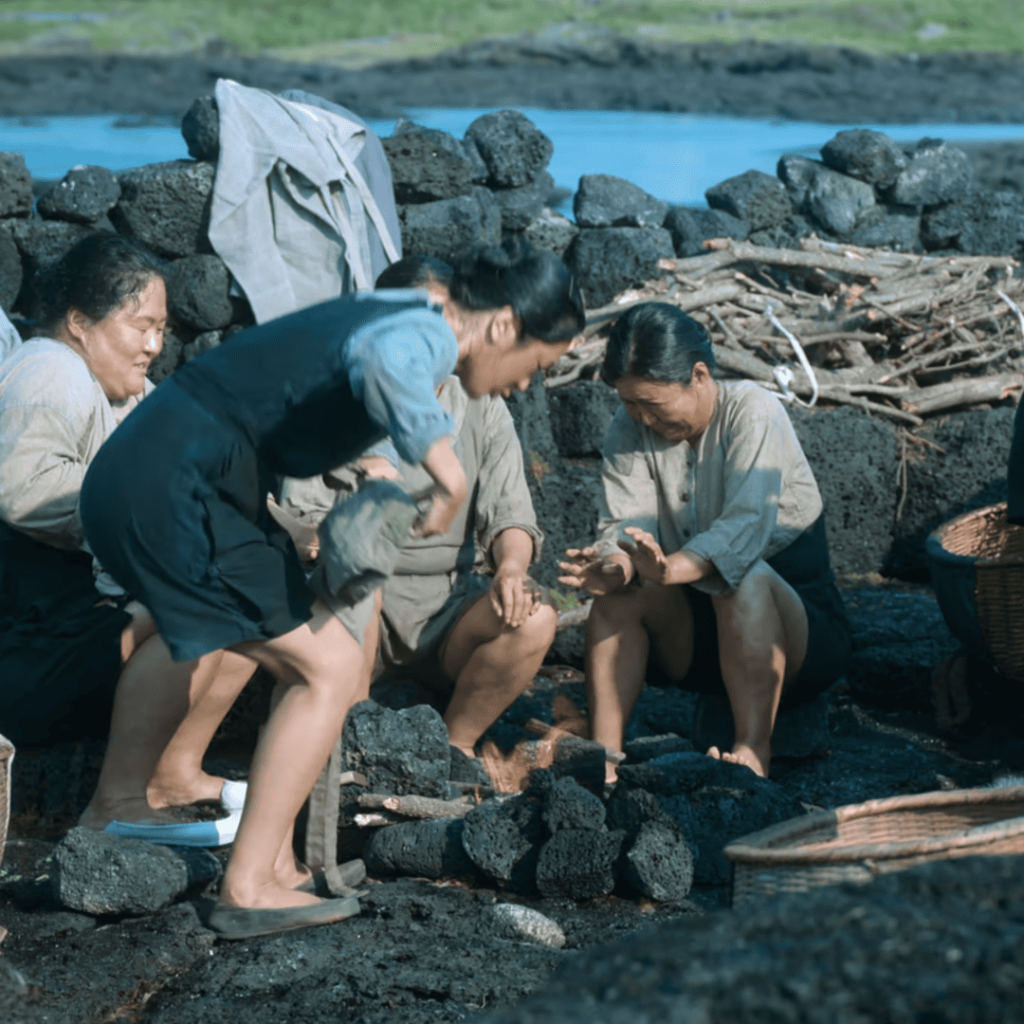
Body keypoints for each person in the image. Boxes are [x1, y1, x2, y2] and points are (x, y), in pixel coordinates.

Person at [78, 238, 585, 938]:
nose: (527, 384)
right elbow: (385, 362)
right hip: (182, 482)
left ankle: (205, 839)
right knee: (326, 668)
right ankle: (249, 884)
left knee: (284, 649)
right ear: (503, 326)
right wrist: (448, 472)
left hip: (172, 473)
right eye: (539, 364)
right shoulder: (430, 326)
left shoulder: (406, 307)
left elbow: (336, 374)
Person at [0, 235, 253, 836]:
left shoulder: (116, 388)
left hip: (63, 632)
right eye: (140, 326)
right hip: (27, 653)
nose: (154, 345)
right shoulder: (51, 371)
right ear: (81, 322)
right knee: (200, 608)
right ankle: (114, 804)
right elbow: (21, 490)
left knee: (251, 592)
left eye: (162, 329)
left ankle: (174, 774)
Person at [280, 256, 558, 762]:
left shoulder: (481, 404)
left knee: (534, 621)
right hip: (354, 605)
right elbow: (302, 522)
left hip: (447, 608)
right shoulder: (337, 395)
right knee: (359, 589)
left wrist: (512, 570)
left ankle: (457, 747)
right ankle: (353, 745)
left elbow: (512, 516)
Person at [559, 302, 851, 779]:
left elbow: (744, 531)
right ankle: (604, 760)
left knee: (742, 578)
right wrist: (615, 567)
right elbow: (624, 528)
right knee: (616, 602)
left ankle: (752, 750)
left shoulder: (754, 411)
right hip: (700, 639)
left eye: (651, 403)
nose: (641, 417)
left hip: (796, 635)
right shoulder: (627, 426)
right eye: (630, 402)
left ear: (699, 375)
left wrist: (670, 569)